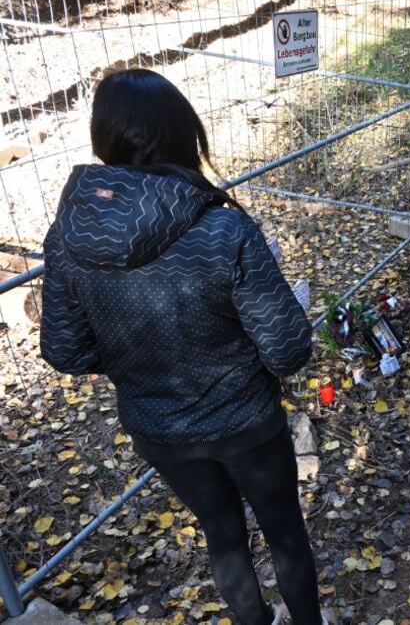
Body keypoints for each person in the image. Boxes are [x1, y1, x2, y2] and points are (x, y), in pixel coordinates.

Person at [40, 69, 337, 625]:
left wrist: (134, 361)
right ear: (182, 133)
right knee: (285, 534)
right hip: (247, 421)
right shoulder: (224, 229)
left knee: (222, 536)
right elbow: (289, 348)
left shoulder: (65, 238)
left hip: (161, 430)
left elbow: (67, 351)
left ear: (104, 136)